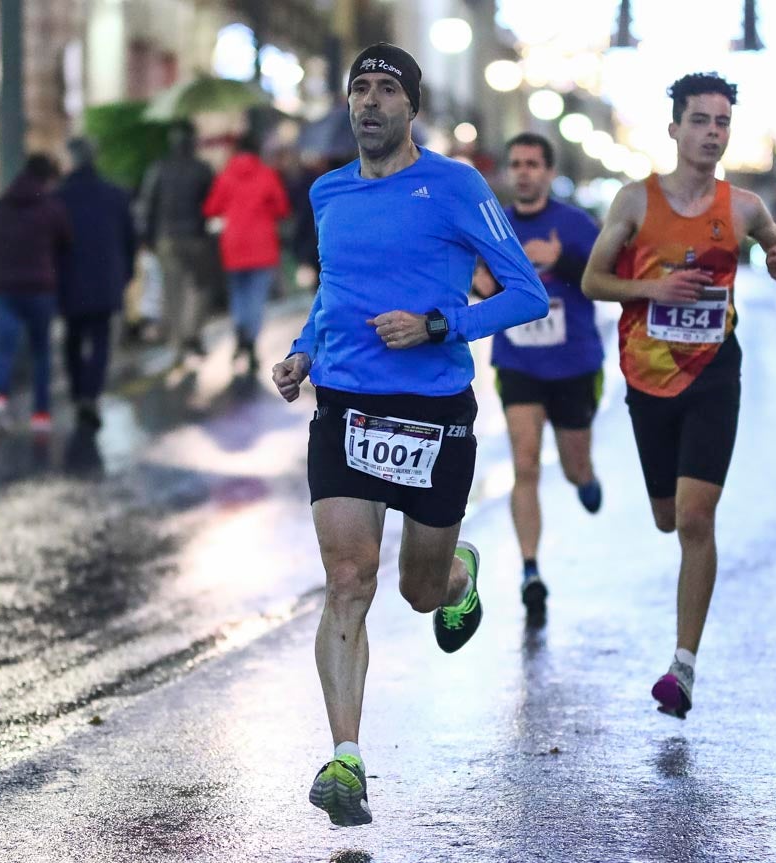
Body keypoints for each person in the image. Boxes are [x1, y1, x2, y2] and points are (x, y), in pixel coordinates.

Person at [271, 43, 547, 826]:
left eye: (386, 88)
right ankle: (346, 761)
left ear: (411, 107)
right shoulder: (328, 191)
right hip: (347, 408)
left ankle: (457, 573)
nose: (369, 101)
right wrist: (303, 352)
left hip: (432, 412)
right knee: (349, 579)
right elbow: (334, 295)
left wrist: (439, 324)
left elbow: (525, 294)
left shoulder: (456, 186)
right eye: (359, 87)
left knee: (418, 591)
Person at [582, 72, 776, 721]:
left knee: (697, 519)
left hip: (713, 373)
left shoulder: (742, 207)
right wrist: (653, 292)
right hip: (648, 378)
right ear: (674, 128)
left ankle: (683, 666)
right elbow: (593, 280)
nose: (712, 133)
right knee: (667, 516)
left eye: (722, 122)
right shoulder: (634, 202)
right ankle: (683, 646)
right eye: (700, 120)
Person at [471, 132, 604, 614]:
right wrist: (481, 286)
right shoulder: (495, 226)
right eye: (516, 163)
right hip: (520, 361)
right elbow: (485, 286)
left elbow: (605, 277)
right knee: (524, 465)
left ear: (548, 172)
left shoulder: (576, 225)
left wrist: (562, 260)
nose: (524, 171)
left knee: (572, 467)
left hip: (574, 363)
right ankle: (530, 569)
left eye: (533, 163)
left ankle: (585, 477)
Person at [0, 153, 71, 431]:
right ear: (47, 178)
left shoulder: (0, 206)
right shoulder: (51, 206)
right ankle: (41, 414)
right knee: (41, 351)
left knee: (3, 347)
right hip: (40, 288)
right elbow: (66, 242)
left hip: (4, 287)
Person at [56, 137, 137, 429]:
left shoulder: (59, 196)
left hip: (70, 278)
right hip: (106, 279)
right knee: (101, 339)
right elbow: (130, 239)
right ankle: (91, 393)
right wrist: (124, 274)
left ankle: (79, 392)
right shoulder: (114, 194)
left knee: (73, 338)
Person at [203, 132, 291, 376]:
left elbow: (211, 208)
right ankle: (250, 341)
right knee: (256, 297)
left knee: (239, 295)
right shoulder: (267, 174)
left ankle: (241, 332)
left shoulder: (225, 176)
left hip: (233, 246)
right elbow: (281, 207)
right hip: (263, 245)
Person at [137, 120, 219, 359]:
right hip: (196, 237)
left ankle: (177, 342)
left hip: (167, 238)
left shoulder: (158, 169)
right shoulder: (202, 169)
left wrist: (147, 238)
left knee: (173, 290)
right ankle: (192, 332)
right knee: (201, 288)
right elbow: (213, 205)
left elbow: (147, 205)